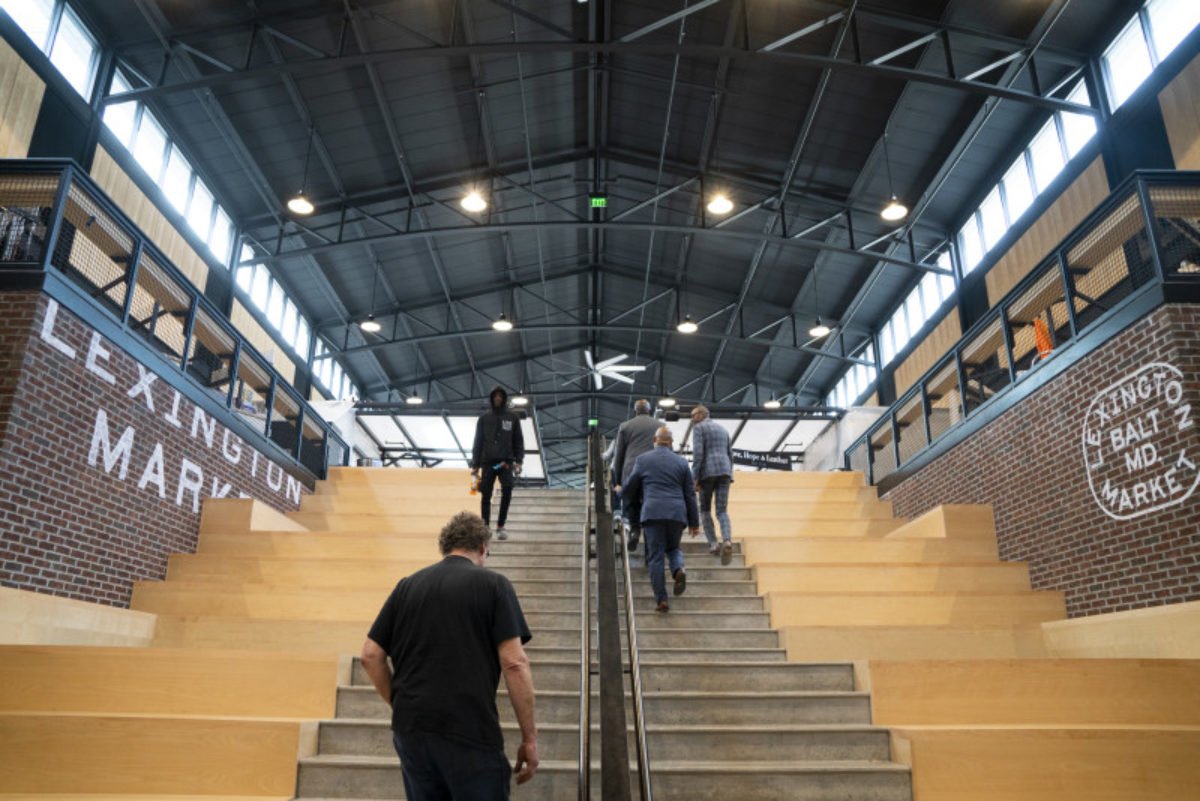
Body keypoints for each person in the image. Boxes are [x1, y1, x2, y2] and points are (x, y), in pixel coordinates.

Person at [360, 511, 538, 800]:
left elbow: (370, 655)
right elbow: (515, 662)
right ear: (482, 548)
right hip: (469, 730)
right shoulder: (494, 585)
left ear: (445, 547)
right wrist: (529, 737)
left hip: (412, 731)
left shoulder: (407, 586)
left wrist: (401, 703)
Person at [619, 427, 700, 613]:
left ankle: (662, 600)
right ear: (671, 442)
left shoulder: (643, 460)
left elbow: (631, 486)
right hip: (677, 514)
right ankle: (678, 570)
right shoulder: (681, 463)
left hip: (653, 513)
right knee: (673, 548)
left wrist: (619, 493)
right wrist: (694, 522)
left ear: (654, 439)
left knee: (655, 557)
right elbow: (690, 494)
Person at [471, 387, 525, 539]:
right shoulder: (483, 419)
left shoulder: (512, 418)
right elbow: (478, 442)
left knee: (507, 487)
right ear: (492, 398)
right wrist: (475, 464)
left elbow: (518, 441)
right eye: (495, 396)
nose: (498, 398)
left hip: (504, 463)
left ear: (504, 399)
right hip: (487, 462)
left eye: (500, 396)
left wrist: (519, 460)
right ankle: (485, 528)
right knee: (485, 494)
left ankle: (501, 525)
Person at [611, 399, 660, 551]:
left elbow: (618, 455)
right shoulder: (660, 425)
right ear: (649, 410)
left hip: (631, 469)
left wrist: (618, 481)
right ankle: (650, 542)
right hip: (654, 469)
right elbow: (668, 452)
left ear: (635, 411)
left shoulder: (625, 426)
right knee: (650, 503)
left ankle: (634, 531)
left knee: (632, 501)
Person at [690, 404, 735, 565]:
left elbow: (698, 454)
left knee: (705, 509)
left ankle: (714, 544)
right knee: (722, 510)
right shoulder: (723, 429)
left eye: (693, 416)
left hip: (707, 473)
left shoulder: (699, 429)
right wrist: (730, 474)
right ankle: (728, 541)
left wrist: (694, 477)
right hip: (724, 471)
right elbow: (730, 454)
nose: (691, 419)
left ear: (702, 415)